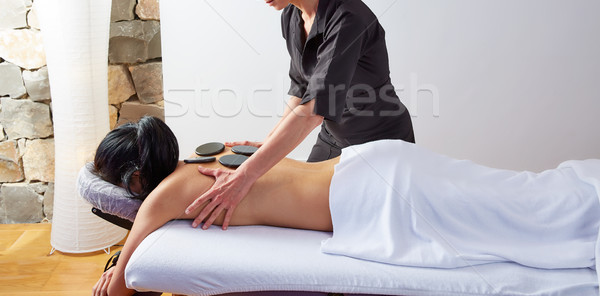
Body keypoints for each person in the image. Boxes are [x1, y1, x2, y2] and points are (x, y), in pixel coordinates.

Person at [92, 120, 600, 295]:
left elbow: (125, 280)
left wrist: (111, 269)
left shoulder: (165, 194)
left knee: (523, 215)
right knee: (520, 197)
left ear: (135, 179)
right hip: (374, 165)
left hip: (373, 199)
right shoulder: (213, 154)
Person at [187, 0, 415, 231]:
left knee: (364, 230)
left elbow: (312, 111)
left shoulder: (348, 19)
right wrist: (264, 148)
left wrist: (245, 175)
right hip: (332, 138)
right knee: (302, 224)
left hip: (379, 145)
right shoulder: (292, 17)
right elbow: (300, 92)